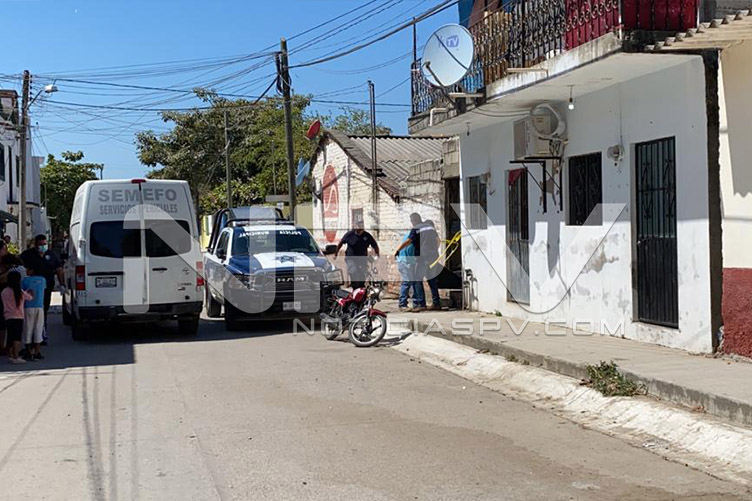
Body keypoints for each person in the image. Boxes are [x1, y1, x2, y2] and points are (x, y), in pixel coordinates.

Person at [394, 213, 442, 311]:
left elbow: (408, 241)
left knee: (417, 279)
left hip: (423, 257)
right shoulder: (430, 228)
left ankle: (421, 304)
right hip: (433, 256)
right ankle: (436, 303)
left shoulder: (416, 229)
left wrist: (398, 250)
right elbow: (438, 241)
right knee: (432, 280)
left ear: (413, 221)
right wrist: (433, 250)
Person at [21, 234, 63, 338]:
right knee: (31, 311)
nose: (43, 246)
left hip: (46, 287)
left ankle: (41, 333)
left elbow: (59, 269)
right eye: (41, 244)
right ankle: (31, 334)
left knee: (43, 310)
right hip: (31, 289)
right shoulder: (28, 254)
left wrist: (62, 284)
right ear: (36, 245)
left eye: (45, 244)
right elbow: (20, 266)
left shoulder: (51, 255)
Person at [336, 220, 379, 290]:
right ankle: (355, 287)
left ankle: (361, 289)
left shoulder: (367, 235)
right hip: (351, 258)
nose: (359, 229)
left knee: (362, 273)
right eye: (358, 227)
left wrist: (377, 253)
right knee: (354, 271)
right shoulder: (350, 234)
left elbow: (374, 245)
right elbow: (341, 243)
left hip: (362, 258)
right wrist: (336, 253)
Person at [2, 271, 32, 365]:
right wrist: (30, 292)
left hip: (8, 316)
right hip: (18, 316)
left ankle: (10, 354)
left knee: (10, 336)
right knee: (17, 337)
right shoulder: (20, 292)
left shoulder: (4, 292)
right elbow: (30, 298)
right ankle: (16, 356)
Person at [22, 266, 46, 361]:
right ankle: (37, 351)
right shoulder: (43, 280)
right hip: (39, 306)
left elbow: (22, 292)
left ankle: (28, 351)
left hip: (28, 306)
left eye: (27, 269)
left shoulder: (25, 281)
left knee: (28, 328)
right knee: (38, 328)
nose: (26, 270)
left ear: (32, 270)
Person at [396, 231, 417, 312]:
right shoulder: (411, 237)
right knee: (407, 282)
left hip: (405, 262)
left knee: (411, 282)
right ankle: (402, 304)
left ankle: (414, 303)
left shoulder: (409, 235)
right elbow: (409, 250)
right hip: (406, 262)